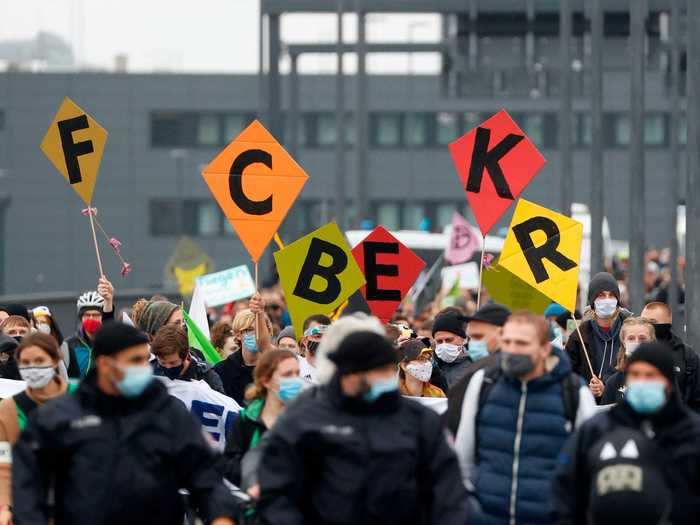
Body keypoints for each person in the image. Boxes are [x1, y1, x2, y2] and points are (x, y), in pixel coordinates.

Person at [12, 322, 237, 525]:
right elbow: (28, 487)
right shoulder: (60, 417)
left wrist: (222, 515)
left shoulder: (167, 412)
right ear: (105, 364)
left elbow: (206, 473)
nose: (145, 367)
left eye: (145, 359)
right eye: (135, 361)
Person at [256, 327, 470, 525]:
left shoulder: (419, 421)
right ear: (347, 374)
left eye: (387, 368)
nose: (385, 376)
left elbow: (449, 493)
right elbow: (276, 490)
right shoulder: (305, 417)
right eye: (375, 369)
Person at [455, 311, 596, 525]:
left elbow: (590, 467)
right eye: (508, 341)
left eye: (521, 343)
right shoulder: (484, 383)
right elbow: (463, 458)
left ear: (544, 349)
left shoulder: (574, 392)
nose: (512, 350)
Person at [553, 342, 700, 524]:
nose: (642, 382)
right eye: (635, 375)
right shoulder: (598, 429)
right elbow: (566, 487)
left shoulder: (691, 432)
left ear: (668, 382)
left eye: (651, 376)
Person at [0, 333, 75, 525]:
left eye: (39, 360)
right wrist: (5, 506)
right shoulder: (8, 409)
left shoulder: (80, 397)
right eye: (25, 362)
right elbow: (4, 465)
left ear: (55, 360)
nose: (33, 368)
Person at [221, 349, 303, 486]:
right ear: (266, 381)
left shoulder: (306, 418)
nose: (295, 380)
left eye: (297, 373)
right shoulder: (246, 419)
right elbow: (229, 464)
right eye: (287, 375)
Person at [445, 303, 511, 436]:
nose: (472, 344)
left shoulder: (488, 372)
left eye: (478, 337)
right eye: (470, 338)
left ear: (502, 333)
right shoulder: (479, 368)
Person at [565, 272, 631, 399]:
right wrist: (585, 388)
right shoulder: (579, 336)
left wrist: (608, 387)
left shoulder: (630, 333)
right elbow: (569, 373)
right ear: (593, 301)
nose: (607, 300)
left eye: (611, 295)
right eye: (601, 295)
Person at [641, 301, 700, 411]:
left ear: (667, 323)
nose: (647, 326)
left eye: (652, 322)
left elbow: (696, 398)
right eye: (643, 322)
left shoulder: (686, 356)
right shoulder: (632, 350)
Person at [214, 296, 272, 404]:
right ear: (238, 334)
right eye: (249, 330)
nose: (255, 335)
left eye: (259, 330)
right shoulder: (221, 370)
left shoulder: (274, 367)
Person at [65, 278, 116, 379]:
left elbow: (110, 326)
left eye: (96, 315)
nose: (91, 318)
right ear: (81, 318)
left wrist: (108, 301)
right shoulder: (69, 344)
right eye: (87, 315)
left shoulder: (109, 342)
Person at [151, 324, 224, 393]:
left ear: (186, 356)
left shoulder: (207, 377)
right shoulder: (151, 373)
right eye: (162, 362)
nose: (167, 367)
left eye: (173, 363)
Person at [600, 317, 656, 405]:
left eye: (642, 338)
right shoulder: (614, 381)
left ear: (652, 341)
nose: (637, 342)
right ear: (623, 342)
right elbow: (606, 415)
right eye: (631, 338)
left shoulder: (664, 377)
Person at [432, 311, 472, 389]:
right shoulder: (431, 364)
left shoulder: (475, 363)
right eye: (439, 341)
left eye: (449, 340)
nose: (444, 345)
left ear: (463, 339)